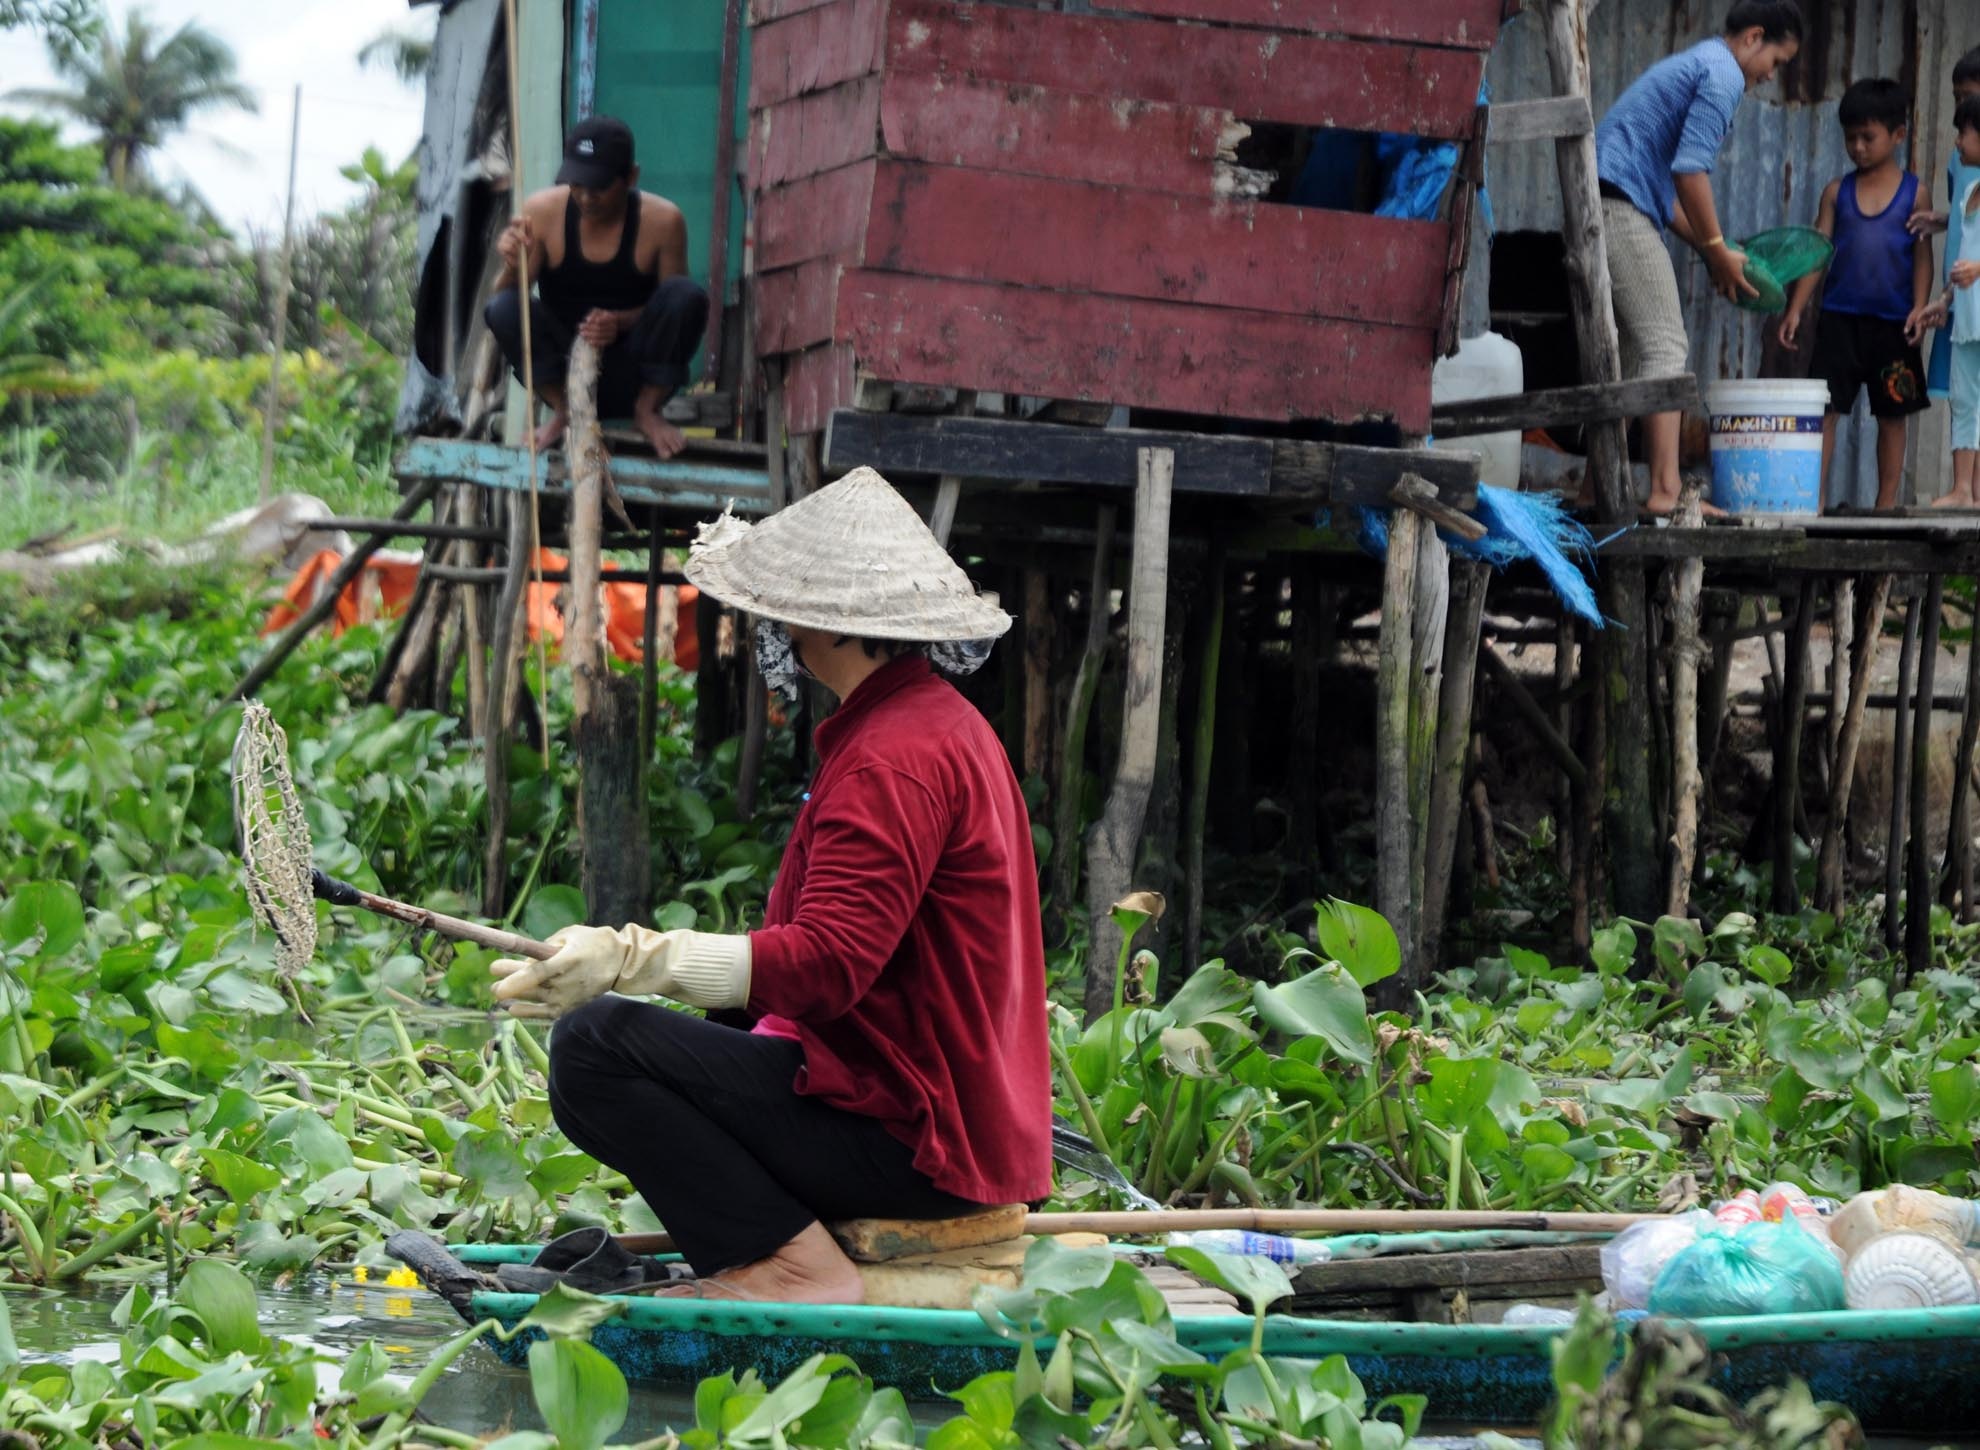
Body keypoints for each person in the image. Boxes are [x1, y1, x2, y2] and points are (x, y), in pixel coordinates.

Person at [488, 468, 1052, 1304]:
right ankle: (767, 1245)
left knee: (591, 1048)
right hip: (923, 1111)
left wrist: (635, 959)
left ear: (817, 620)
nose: (770, 626)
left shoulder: (894, 757)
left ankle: (789, 1269)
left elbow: (828, 964)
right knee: (662, 1035)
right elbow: (806, 973)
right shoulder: (924, 725)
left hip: (918, 1137)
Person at [1594, 0, 1803, 515]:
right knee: (1665, 344)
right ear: (1754, 37)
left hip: (1607, 200)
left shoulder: (1700, 62)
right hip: (1618, 207)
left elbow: (1668, 198)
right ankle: (1666, 488)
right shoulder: (1723, 74)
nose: (1769, 77)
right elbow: (1690, 172)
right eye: (1775, 63)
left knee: (1627, 355)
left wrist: (1717, 250)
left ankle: (1593, 487)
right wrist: (1714, 250)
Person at [485, 115, 709, 459]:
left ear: (630, 177)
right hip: (565, 369)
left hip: (633, 372)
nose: (586, 197)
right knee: (501, 308)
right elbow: (505, 302)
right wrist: (511, 267)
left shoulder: (663, 221)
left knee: (687, 295)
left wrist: (619, 322)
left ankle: (647, 411)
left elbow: (673, 308)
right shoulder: (543, 211)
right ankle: (565, 413)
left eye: (600, 186)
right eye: (577, 184)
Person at [1778, 78, 1935, 512]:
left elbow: (1923, 257)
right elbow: (1816, 255)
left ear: (1897, 136)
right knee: (1826, 412)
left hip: (1893, 324)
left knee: (1892, 414)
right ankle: (1816, 498)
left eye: (1869, 137)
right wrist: (1796, 307)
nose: (1858, 147)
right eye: (1851, 138)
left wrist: (1920, 307)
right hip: (1838, 321)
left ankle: (1886, 503)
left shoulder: (1914, 193)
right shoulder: (1836, 192)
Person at [1911, 48, 1980, 429]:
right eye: (1956, 98)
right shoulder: (1961, 155)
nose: (1961, 105)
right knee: (1962, 388)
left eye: (1968, 95)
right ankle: (1966, 486)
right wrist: (1942, 218)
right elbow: (1968, 213)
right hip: (1958, 289)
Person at [1918, 97, 1980, 508]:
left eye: (1963, 133)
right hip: (1967, 314)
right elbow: (1963, 249)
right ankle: (1963, 490)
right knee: (1965, 399)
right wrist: (1944, 298)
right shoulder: (1972, 189)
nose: (1957, 142)